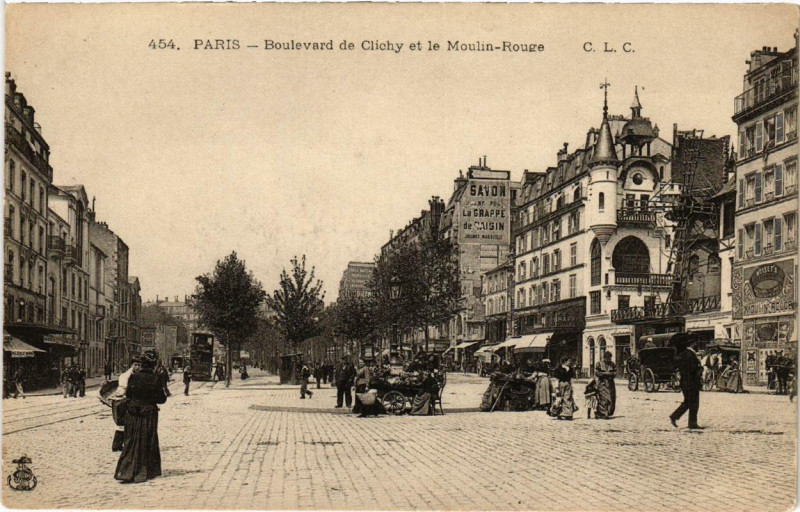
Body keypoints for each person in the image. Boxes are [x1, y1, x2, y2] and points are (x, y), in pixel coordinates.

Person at [114, 350, 167, 484]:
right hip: (148, 413)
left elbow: (129, 394)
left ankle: (126, 471)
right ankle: (146, 470)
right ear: (153, 365)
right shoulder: (155, 378)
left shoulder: (133, 377)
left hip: (133, 412)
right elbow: (161, 399)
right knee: (147, 440)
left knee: (131, 440)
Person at [670, 333, 703, 429]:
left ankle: (685, 420)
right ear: (692, 344)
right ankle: (689, 422)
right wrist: (699, 369)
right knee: (692, 403)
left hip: (687, 382)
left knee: (689, 402)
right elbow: (691, 369)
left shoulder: (684, 354)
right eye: (696, 343)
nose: (697, 345)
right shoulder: (689, 355)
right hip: (690, 382)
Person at [594, 351, 616, 419]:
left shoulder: (612, 364)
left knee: (612, 398)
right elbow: (597, 373)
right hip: (602, 383)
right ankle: (602, 413)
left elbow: (615, 373)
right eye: (607, 358)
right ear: (604, 358)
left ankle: (608, 412)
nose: (609, 359)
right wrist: (606, 373)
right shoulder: (599, 364)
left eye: (610, 358)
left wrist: (609, 374)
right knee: (604, 398)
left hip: (610, 383)